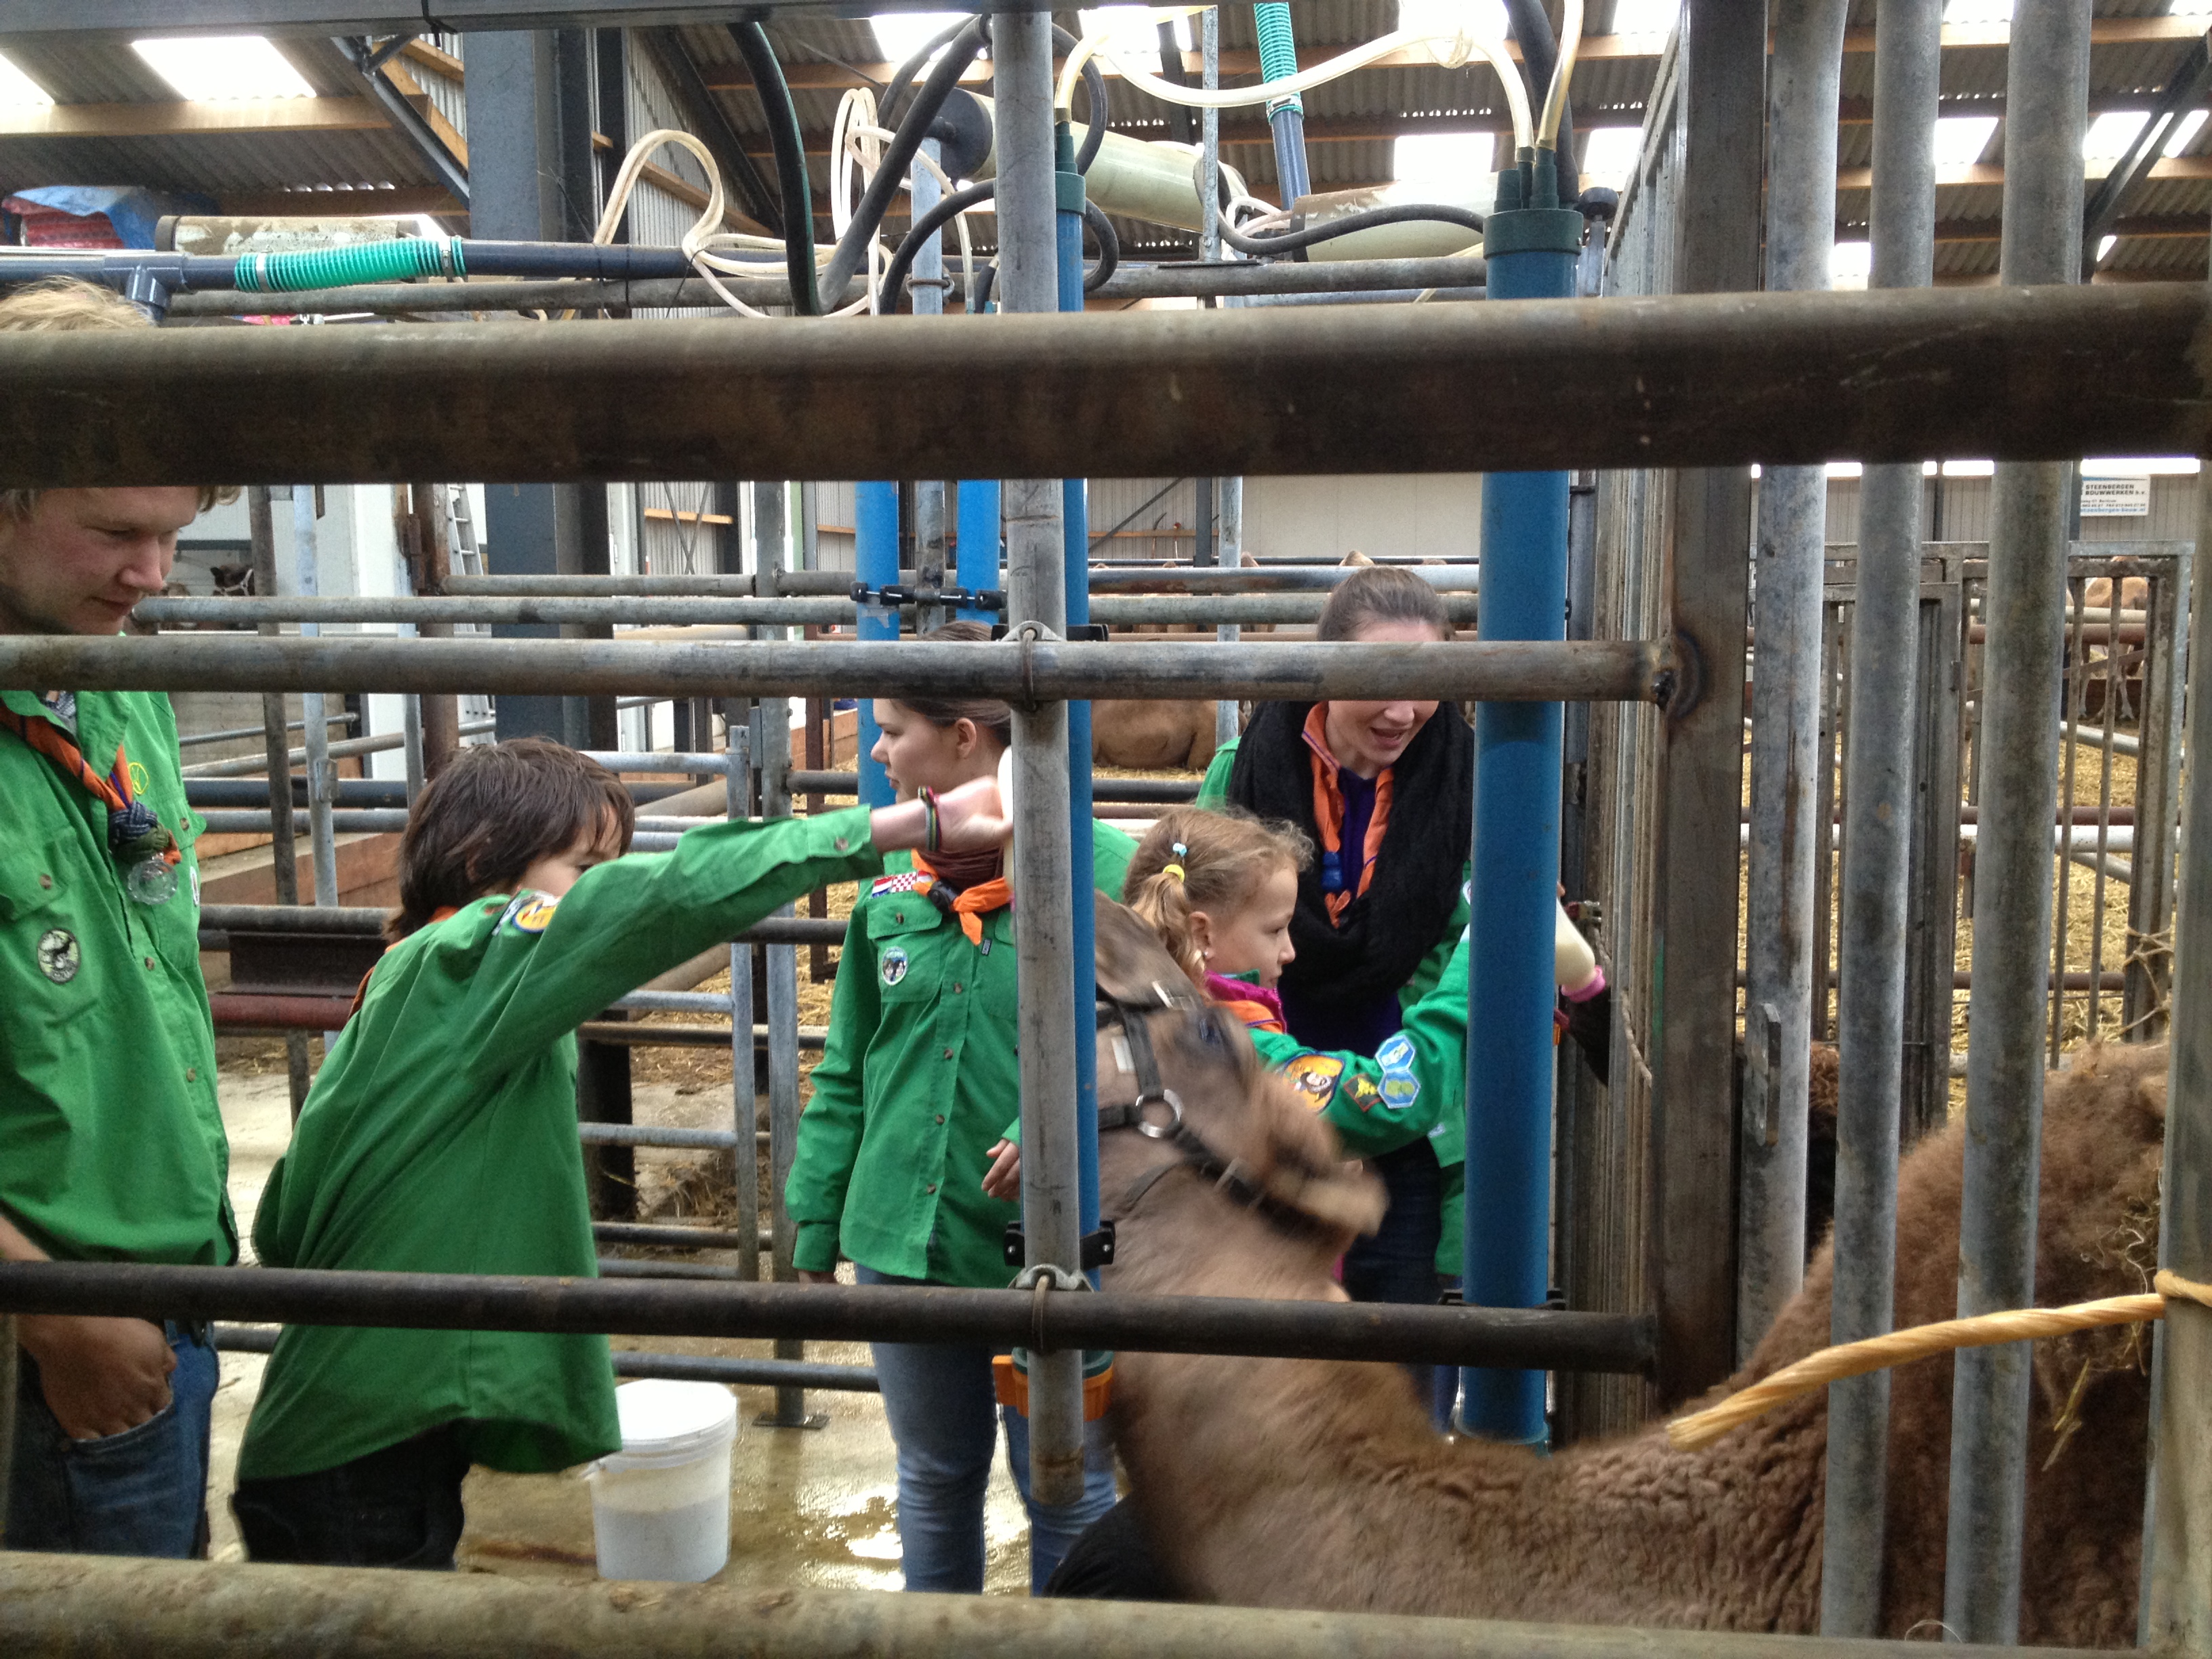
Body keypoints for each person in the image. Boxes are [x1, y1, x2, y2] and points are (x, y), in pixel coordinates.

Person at [232, 739, 1009, 1569]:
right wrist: (915, 823)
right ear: (482, 865)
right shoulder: (466, 961)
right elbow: (655, 900)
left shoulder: (405, 983)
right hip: (359, 1459)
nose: (602, 889)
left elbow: (283, 1225)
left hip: (351, 1436)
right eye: (585, 868)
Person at [785, 627, 1133, 1595]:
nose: (877, 752)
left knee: (1063, 1482)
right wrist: (815, 1214)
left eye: (893, 731)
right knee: (935, 1476)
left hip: (1051, 1242)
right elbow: (847, 1069)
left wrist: (1052, 1121)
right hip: (906, 1236)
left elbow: (1158, 1031)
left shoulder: (1100, 870)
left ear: (965, 739)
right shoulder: (891, 888)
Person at [0, 276, 237, 1557]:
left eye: (172, 533)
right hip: (44, 1334)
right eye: (113, 533)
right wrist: (52, 1313)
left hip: (167, 1283)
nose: (152, 574)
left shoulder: (116, 674)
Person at [1197, 565, 1472, 1418]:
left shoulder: (1473, 779)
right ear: (1325, 669)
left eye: (1426, 684)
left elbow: (1474, 937)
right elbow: (1194, 928)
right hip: (1265, 1108)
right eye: (1381, 681)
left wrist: (1376, 1097)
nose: (1405, 711)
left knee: (1400, 1371)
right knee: (1267, 1375)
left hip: (1408, 1118)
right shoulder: (1244, 771)